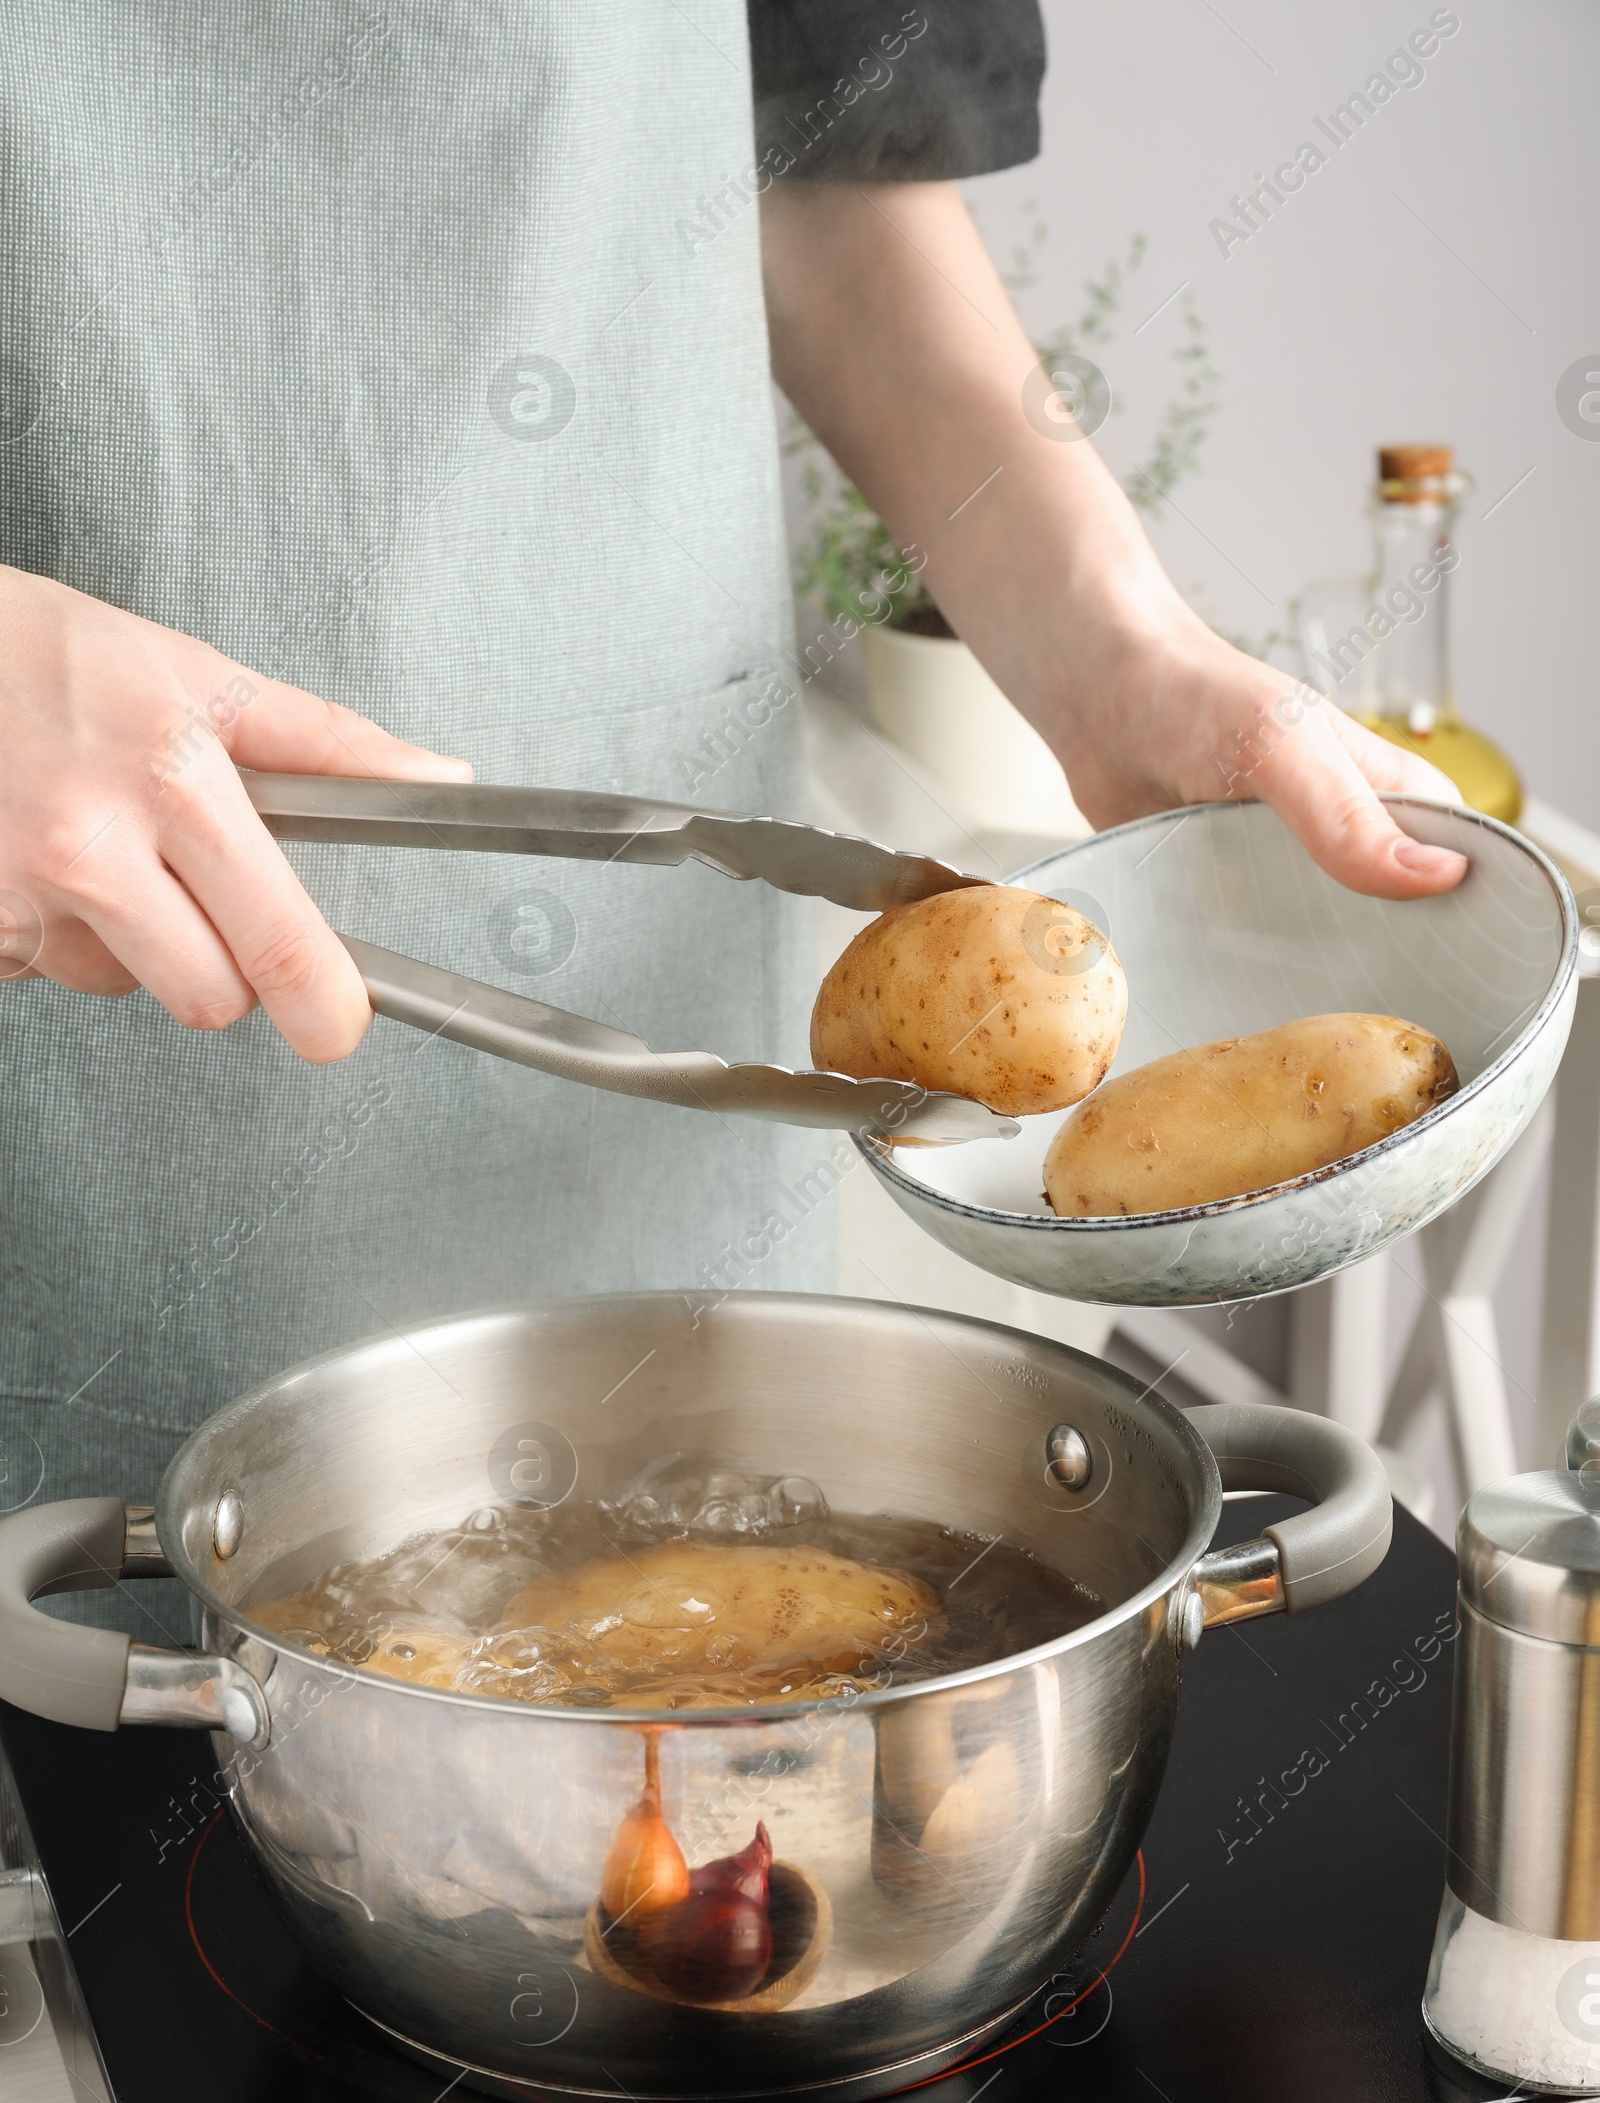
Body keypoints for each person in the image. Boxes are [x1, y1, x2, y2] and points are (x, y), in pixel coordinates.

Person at [0, 1, 1463, 1588]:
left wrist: (1124, 643)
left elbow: (838, 152)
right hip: (71, 1060)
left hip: (653, 1045)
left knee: (682, 1644)